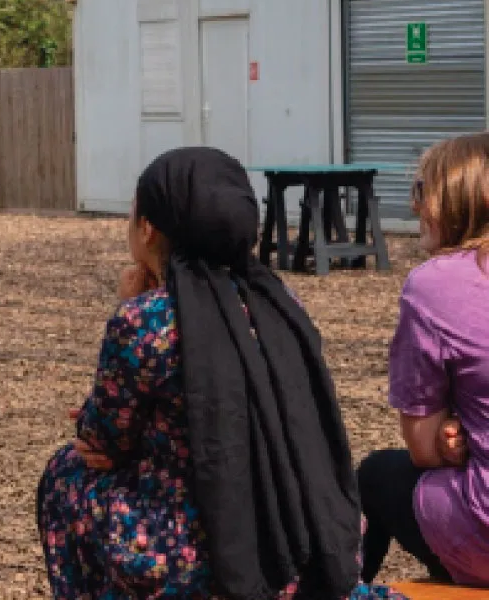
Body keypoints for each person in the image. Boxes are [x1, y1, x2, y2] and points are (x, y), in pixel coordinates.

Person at [37, 147, 407, 600]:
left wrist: (129, 305)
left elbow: (105, 441)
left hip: (197, 554)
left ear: (148, 228)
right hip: (300, 537)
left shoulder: (146, 319)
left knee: (64, 474)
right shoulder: (282, 303)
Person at [358, 132, 489, 588]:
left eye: (422, 190)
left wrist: (450, 432)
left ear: (460, 200)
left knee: (374, 475)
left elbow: (424, 449)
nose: (414, 207)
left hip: (483, 535)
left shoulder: (435, 286)